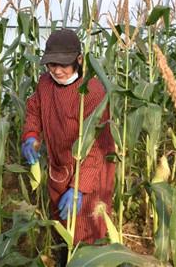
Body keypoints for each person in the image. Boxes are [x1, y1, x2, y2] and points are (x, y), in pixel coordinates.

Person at [21, 29, 115, 248]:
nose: (57, 70)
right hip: (59, 167)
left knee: (87, 231)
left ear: (79, 60)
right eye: (52, 64)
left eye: (63, 64)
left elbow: (99, 146)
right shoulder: (45, 83)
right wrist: (31, 135)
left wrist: (80, 187)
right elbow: (34, 109)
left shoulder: (93, 92)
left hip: (91, 174)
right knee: (62, 227)